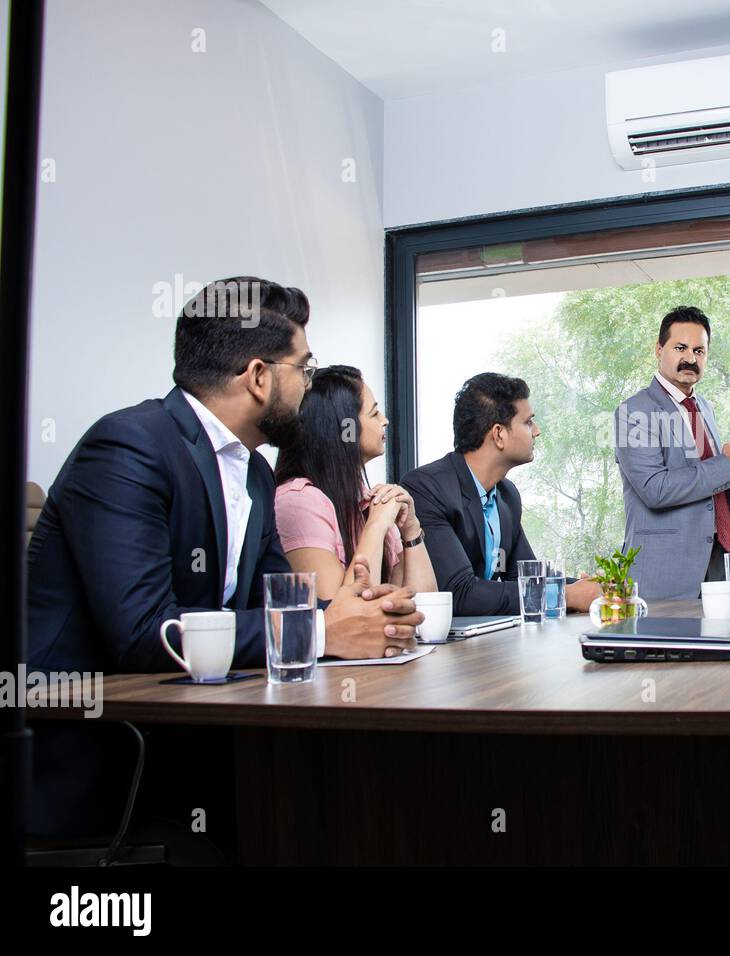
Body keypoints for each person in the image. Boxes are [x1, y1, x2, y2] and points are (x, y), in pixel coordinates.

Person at [26, 277, 424, 835]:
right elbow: (145, 633)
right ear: (259, 377)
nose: (311, 389)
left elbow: (288, 601)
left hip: (202, 734)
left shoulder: (254, 474)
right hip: (96, 752)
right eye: (304, 371)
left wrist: (360, 610)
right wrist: (321, 631)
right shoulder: (127, 446)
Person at [613, 306, 730, 600]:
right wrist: (725, 463)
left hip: (720, 561)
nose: (690, 359)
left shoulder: (703, 407)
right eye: (680, 348)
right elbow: (655, 489)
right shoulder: (634, 412)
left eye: (699, 350)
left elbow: (714, 483)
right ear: (659, 350)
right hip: (667, 574)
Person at [402, 372, 601, 616]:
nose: (537, 431)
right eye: (528, 422)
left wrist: (589, 588)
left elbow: (526, 576)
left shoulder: (507, 495)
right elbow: (459, 593)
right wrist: (565, 595)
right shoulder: (427, 488)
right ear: (498, 434)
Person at [274, 365, 436, 599]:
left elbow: (423, 606)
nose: (385, 420)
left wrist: (410, 529)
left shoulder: (364, 498)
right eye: (374, 413)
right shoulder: (297, 501)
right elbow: (339, 611)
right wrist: (377, 525)